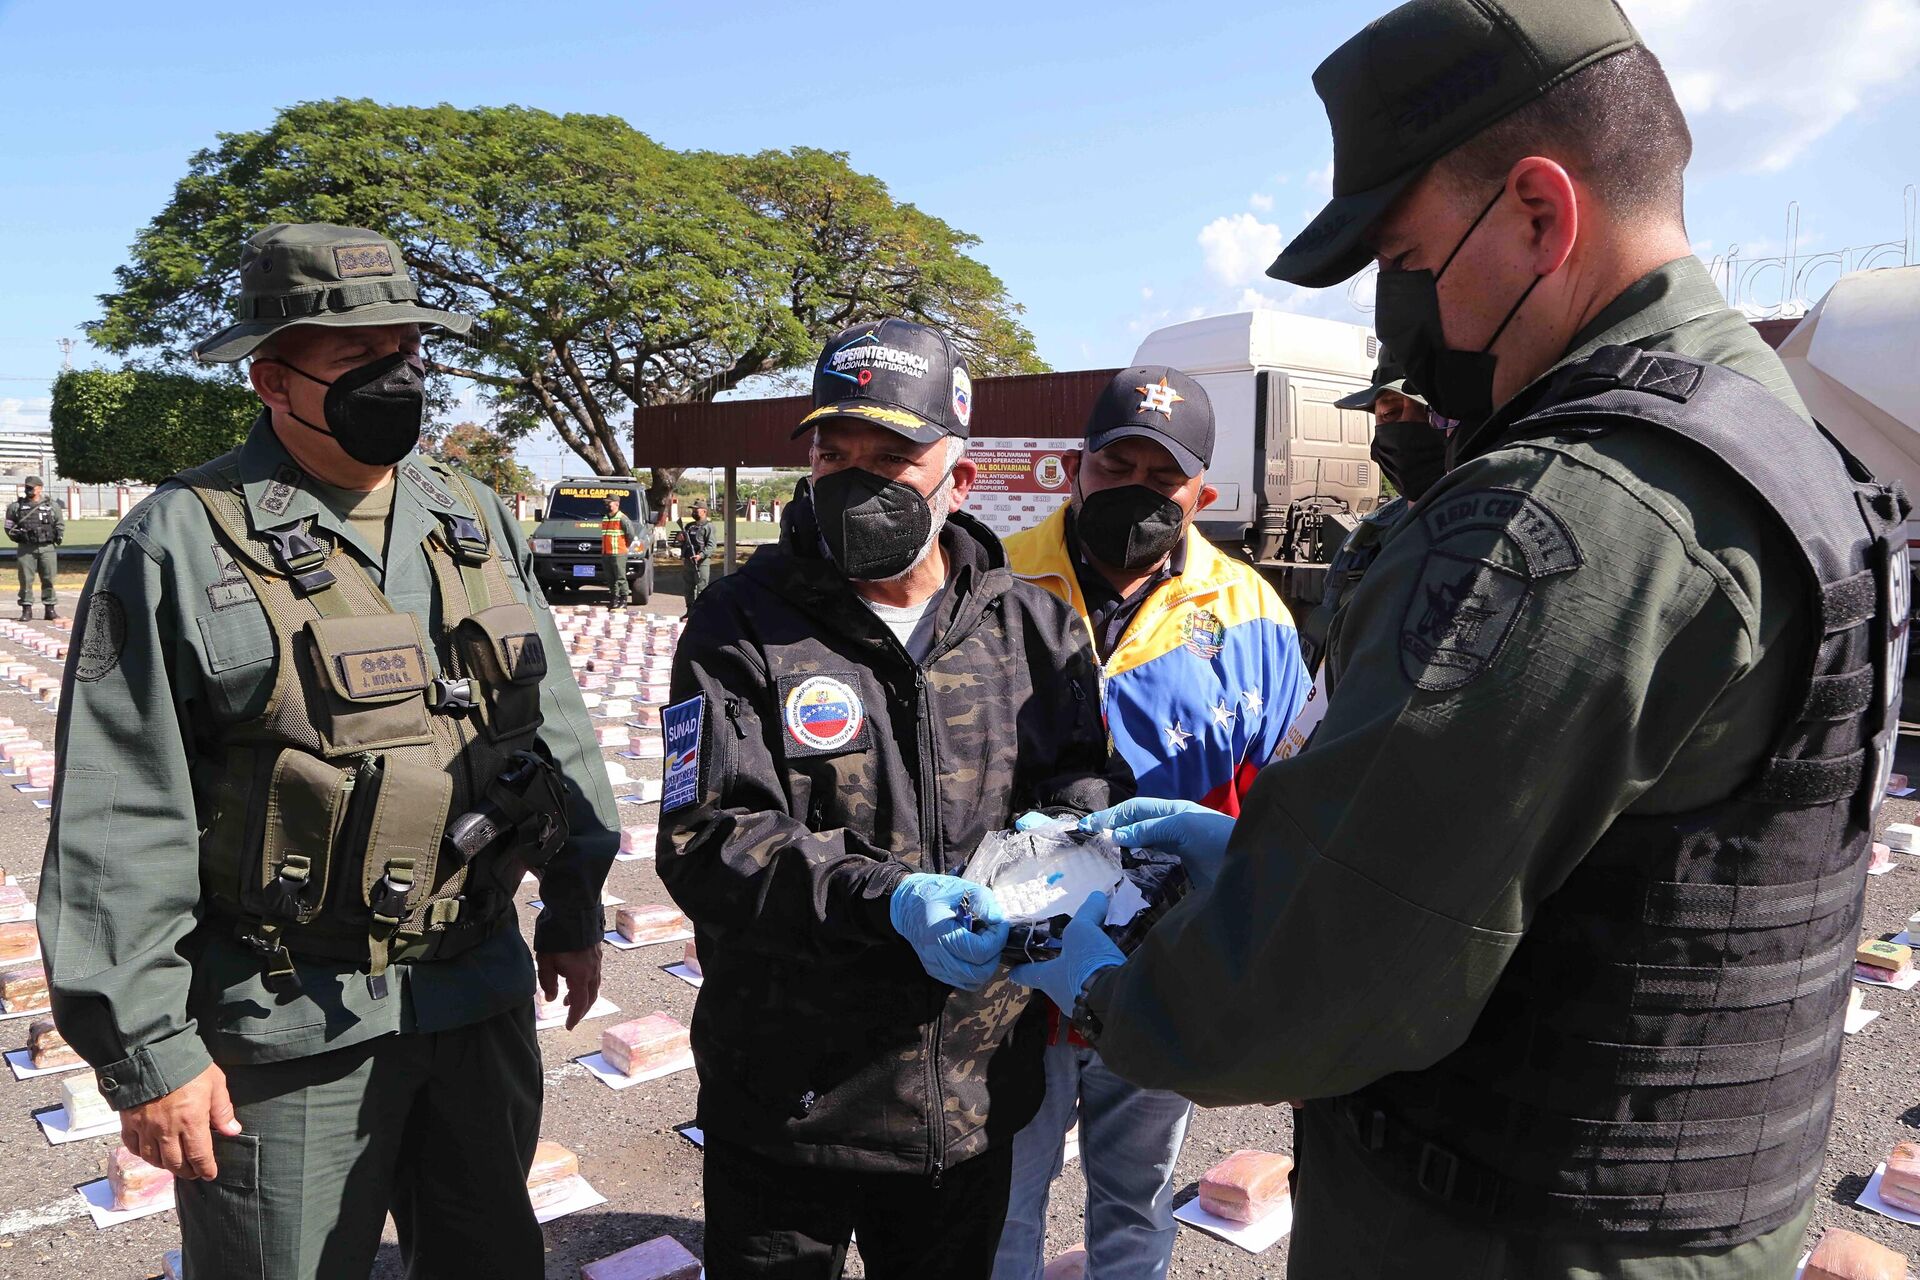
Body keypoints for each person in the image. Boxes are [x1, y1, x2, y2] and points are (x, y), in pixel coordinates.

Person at [1010, 4, 1907, 1277]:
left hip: (1501, 1229)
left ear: (1540, 213)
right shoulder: (1777, 442)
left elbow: (1304, 978)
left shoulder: (1568, 508)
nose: (1397, 318)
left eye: (1409, 254)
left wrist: (1091, 964)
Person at [38, 223, 620, 1280]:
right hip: (288, 1023)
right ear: (273, 377)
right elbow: (121, 815)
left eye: (406, 353)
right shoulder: (178, 539)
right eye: (359, 360)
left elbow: (553, 731)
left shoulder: (474, 515)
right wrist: (148, 1054)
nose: (395, 379)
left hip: (475, 993)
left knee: (492, 1257)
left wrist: (574, 906)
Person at [658, 316, 1132, 1277]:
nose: (856, 479)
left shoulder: (1033, 627)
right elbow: (709, 836)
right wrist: (889, 900)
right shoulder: (741, 622)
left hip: (969, 1108)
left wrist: (1068, 845)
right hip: (789, 1105)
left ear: (959, 478)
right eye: (835, 452)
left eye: (892, 455)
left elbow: (1082, 774)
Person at [993, 366, 1308, 1278]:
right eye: (1114, 464)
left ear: (1200, 493)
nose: (1135, 492)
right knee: (1003, 1199)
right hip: (1012, 975)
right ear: (1072, 469)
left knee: (1135, 1199)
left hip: (1162, 973)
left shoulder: (1252, 612)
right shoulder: (994, 580)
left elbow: (1283, 796)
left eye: (1161, 478)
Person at [1298, 355, 1443, 677]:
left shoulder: (1484, 532)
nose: (1407, 428)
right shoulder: (1366, 538)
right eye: (1389, 413)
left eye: (1432, 413)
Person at [7, 474, 64, 620]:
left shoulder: (51, 506)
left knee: (49, 578)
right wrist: (17, 536)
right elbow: (8, 526)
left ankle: (50, 609)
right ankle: (27, 609)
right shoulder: (16, 507)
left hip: (47, 548)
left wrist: (58, 536)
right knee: (25, 579)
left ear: (39, 488)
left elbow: (59, 523)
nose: (28, 490)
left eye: (32, 488)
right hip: (26, 548)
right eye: (27, 487)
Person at [601, 493, 639, 608]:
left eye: (609, 503)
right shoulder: (605, 517)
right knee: (610, 577)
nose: (606, 505)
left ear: (616, 504)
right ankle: (614, 598)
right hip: (606, 553)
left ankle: (623, 600)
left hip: (619, 553)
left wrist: (625, 546)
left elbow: (631, 535)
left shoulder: (622, 518)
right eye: (606, 503)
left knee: (620, 577)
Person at [680, 501, 713, 603]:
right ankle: (689, 611)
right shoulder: (689, 526)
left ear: (704, 511)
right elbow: (683, 542)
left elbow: (711, 546)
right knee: (688, 588)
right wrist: (680, 538)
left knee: (701, 588)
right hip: (688, 561)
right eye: (693, 510)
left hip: (701, 562)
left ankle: (700, 611)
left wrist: (701, 555)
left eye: (696, 510)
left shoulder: (709, 527)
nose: (693, 512)